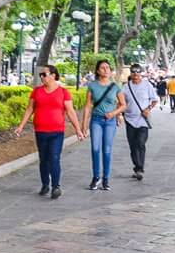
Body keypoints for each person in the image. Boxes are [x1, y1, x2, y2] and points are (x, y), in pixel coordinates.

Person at [14, 64, 86, 199]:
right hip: (40, 130)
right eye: (41, 75)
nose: (42, 77)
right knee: (43, 159)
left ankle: (56, 186)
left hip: (57, 131)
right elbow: (30, 109)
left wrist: (78, 130)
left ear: (53, 75)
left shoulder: (63, 92)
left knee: (54, 157)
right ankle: (45, 184)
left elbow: (70, 111)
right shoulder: (37, 91)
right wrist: (21, 126)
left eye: (44, 74)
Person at [81, 60, 126, 191]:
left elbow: (123, 105)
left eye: (107, 67)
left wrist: (114, 113)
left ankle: (106, 179)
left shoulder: (116, 86)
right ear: (98, 71)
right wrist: (84, 124)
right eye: (102, 68)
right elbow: (88, 106)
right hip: (96, 120)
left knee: (106, 150)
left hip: (110, 122)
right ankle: (96, 177)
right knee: (95, 149)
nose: (106, 70)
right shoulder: (92, 86)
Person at [124, 63, 158, 181]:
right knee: (132, 145)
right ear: (131, 73)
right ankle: (136, 166)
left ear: (141, 73)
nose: (135, 74)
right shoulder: (126, 87)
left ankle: (140, 168)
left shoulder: (147, 85)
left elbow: (154, 100)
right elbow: (121, 102)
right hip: (129, 120)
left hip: (143, 120)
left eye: (138, 72)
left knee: (141, 143)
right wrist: (118, 114)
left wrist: (148, 109)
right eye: (133, 72)